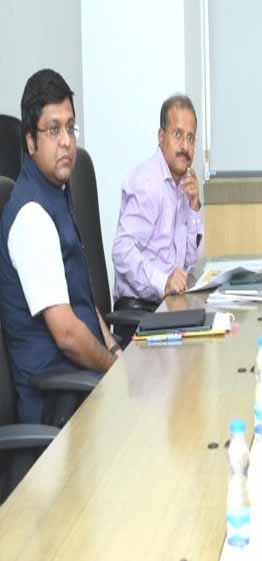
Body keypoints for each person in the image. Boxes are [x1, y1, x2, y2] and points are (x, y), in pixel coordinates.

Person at [0, 69, 119, 423]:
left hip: (80, 388)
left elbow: (81, 299)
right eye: (54, 130)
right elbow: (67, 335)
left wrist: (116, 350)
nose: (67, 141)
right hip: (57, 409)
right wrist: (115, 370)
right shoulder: (32, 217)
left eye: (70, 127)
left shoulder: (57, 196)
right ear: (30, 141)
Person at [111, 94, 204, 342]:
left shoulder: (180, 185)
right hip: (140, 315)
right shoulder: (148, 183)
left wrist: (194, 207)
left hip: (167, 307)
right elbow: (122, 251)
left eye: (191, 138)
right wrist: (163, 282)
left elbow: (191, 262)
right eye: (178, 135)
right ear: (161, 137)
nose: (185, 146)